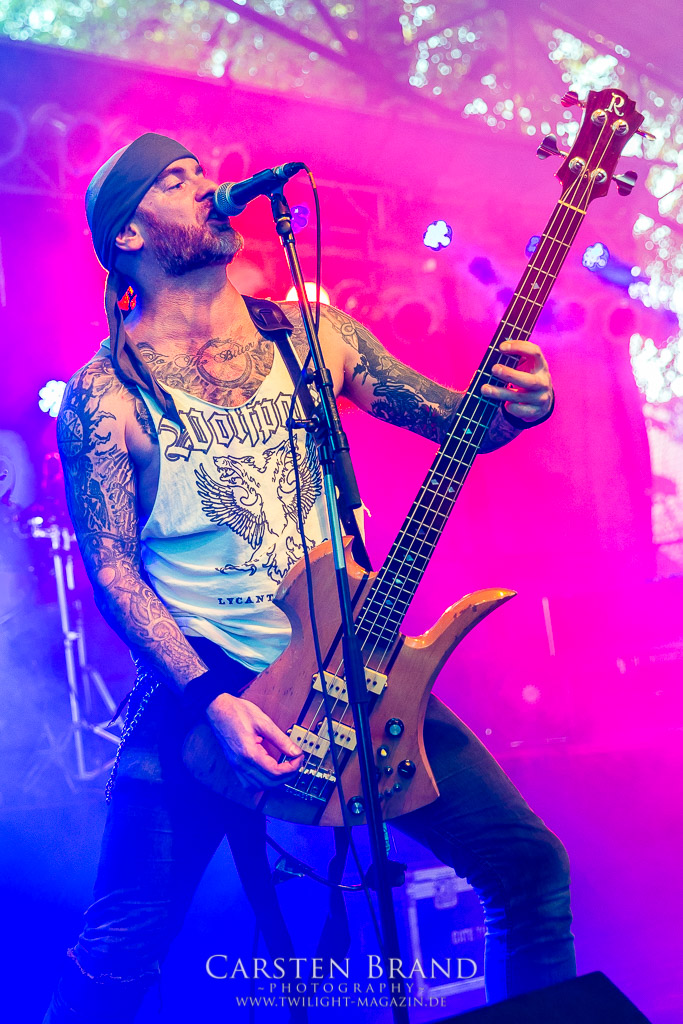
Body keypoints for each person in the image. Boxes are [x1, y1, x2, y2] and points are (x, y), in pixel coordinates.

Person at [43, 134, 572, 1023]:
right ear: (128, 233)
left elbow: (464, 427)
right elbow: (114, 574)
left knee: (528, 868)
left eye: (203, 171)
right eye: (176, 180)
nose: (208, 186)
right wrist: (212, 698)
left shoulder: (313, 336)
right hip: (206, 690)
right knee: (116, 954)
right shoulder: (107, 396)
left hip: (351, 671)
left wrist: (523, 408)